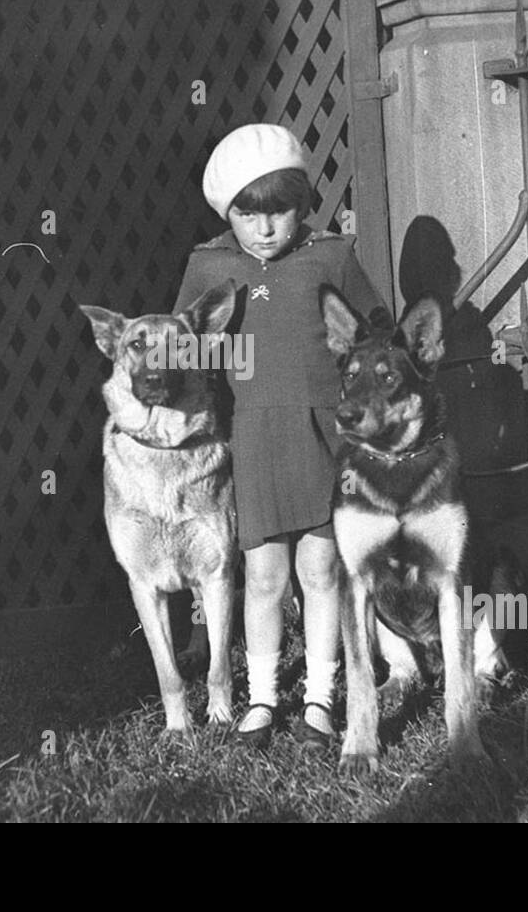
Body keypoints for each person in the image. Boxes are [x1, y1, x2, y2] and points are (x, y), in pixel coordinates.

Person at [172, 124, 386, 749]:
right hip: (253, 438)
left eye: (280, 211)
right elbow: (185, 349)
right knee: (263, 577)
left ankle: (320, 697)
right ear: (226, 212)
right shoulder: (210, 266)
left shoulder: (331, 257)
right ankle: (262, 698)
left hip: (323, 435)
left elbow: (374, 332)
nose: (265, 229)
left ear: (304, 207)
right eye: (248, 214)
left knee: (321, 570)